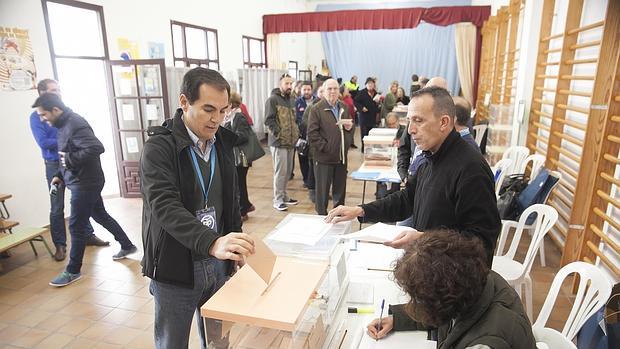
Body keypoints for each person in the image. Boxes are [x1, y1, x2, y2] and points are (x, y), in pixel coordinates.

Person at [140, 68, 256, 349]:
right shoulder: (159, 148)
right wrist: (213, 241)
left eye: (223, 110)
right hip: (176, 268)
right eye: (208, 109)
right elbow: (165, 207)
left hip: (217, 264)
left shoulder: (223, 143)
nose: (217, 119)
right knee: (172, 343)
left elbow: (231, 200)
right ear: (184, 102)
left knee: (218, 342)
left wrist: (234, 243)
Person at [325, 86, 501, 266]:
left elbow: (481, 243)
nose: (410, 130)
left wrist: (424, 239)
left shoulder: (471, 168)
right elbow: (408, 198)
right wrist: (361, 210)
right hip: (427, 263)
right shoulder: (429, 155)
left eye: (418, 120)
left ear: (444, 122)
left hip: (451, 281)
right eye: (410, 121)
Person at [32, 93, 138, 287]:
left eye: (44, 114)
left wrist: (68, 162)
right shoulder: (62, 124)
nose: (42, 119)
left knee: (76, 226)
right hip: (81, 180)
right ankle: (127, 245)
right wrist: (59, 174)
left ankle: (73, 270)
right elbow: (65, 153)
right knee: (100, 216)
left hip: (85, 183)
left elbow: (96, 148)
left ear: (55, 110)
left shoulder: (75, 123)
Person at [366, 229, 536, 348]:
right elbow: (441, 314)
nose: (414, 303)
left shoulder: (488, 341)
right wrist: (397, 319)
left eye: (419, 300)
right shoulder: (473, 281)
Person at [28, 79, 108, 261]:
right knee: (57, 207)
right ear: (42, 93)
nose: (57, 93)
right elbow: (43, 143)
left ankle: (88, 236)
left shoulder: (67, 115)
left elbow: (88, 142)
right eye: (53, 90)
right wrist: (67, 142)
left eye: (58, 90)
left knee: (81, 203)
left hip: (74, 165)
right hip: (54, 164)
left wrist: (69, 142)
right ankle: (60, 246)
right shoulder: (38, 117)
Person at [307, 79, 353, 215]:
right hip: (324, 159)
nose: (332, 91)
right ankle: (321, 219)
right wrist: (327, 148)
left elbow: (350, 128)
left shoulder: (344, 107)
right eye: (329, 89)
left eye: (335, 89)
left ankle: (338, 218)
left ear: (339, 91)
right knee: (322, 194)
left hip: (341, 158)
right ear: (323, 91)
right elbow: (312, 134)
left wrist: (347, 137)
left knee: (340, 192)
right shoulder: (316, 109)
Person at [264, 74, 300, 211]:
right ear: (280, 84)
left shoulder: (292, 100)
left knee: (288, 171)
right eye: (287, 83)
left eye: (291, 83)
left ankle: (284, 196)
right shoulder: (273, 100)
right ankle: (277, 199)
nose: (289, 86)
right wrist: (278, 134)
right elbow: (268, 120)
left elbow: (294, 119)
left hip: (291, 142)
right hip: (279, 143)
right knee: (280, 172)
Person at [224, 92, 261, 221]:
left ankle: (243, 210)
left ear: (231, 104)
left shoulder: (238, 116)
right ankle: (246, 205)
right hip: (235, 158)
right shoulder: (230, 117)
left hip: (241, 158)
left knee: (239, 184)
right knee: (239, 183)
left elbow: (243, 136)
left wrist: (227, 138)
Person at [375, 112, 406, 200]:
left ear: (398, 121)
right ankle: (380, 196)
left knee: (395, 184)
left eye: (393, 124)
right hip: (385, 159)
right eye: (389, 124)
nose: (391, 126)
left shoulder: (404, 131)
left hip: (399, 160)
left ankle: (394, 197)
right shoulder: (383, 130)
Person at [295, 81, 318, 188]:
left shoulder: (317, 101)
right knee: (303, 157)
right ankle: (306, 179)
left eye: (308, 89)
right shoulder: (297, 102)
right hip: (301, 135)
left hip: (314, 135)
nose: (306, 91)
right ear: (301, 90)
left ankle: (313, 180)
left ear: (312, 90)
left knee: (313, 159)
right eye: (304, 89)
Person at [354, 77, 380, 151]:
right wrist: (361, 108)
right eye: (368, 83)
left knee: (371, 133)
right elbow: (355, 101)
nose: (370, 85)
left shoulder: (375, 93)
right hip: (364, 117)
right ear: (366, 84)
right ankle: (364, 148)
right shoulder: (362, 92)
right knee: (364, 133)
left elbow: (376, 105)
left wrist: (378, 103)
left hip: (372, 117)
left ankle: (371, 147)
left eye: (372, 83)